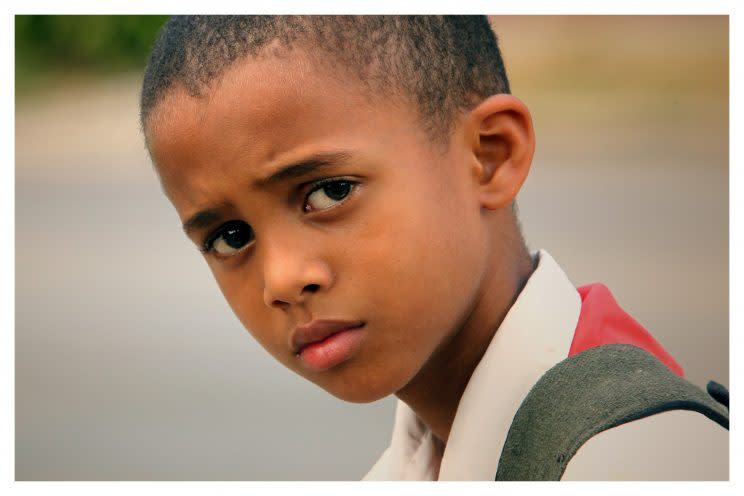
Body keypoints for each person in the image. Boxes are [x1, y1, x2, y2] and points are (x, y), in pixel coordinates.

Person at [139, 15, 728, 480]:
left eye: (329, 192)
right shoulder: (413, 468)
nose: (283, 279)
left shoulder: (637, 461)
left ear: (489, 155)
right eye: (229, 237)